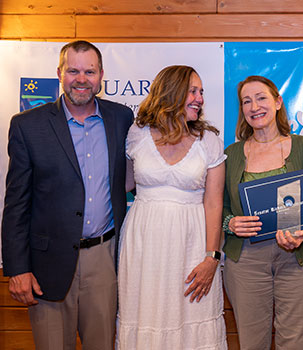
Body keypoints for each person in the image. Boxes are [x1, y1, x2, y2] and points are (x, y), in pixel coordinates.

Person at [1, 40, 133, 349]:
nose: (81, 79)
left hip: (104, 259)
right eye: (73, 70)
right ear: (59, 73)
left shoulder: (121, 118)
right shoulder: (27, 126)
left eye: (89, 71)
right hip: (47, 264)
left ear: (101, 75)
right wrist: (17, 268)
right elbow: (16, 204)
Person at [116, 65, 227, 349]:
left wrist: (211, 258)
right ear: (171, 92)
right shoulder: (137, 134)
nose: (200, 98)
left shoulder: (209, 141)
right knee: (144, 315)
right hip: (143, 245)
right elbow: (123, 185)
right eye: (193, 91)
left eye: (201, 92)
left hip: (192, 246)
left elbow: (214, 204)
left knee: (191, 316)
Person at [222, 75, 303, 349]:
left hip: (297, 258)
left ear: (278, 102)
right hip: (245, 262)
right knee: (252, 342)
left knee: (295, 342)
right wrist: (230, 224)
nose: (254, 106)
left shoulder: (302, 146)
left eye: (261, 97)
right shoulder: (231, 155)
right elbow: (219, 209)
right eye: (246, 101)